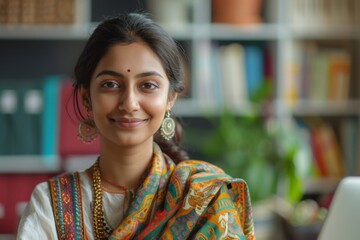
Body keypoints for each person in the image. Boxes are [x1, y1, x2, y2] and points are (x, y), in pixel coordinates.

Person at [17, 13, 255, 239]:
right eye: (110, 84)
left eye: (148, 85)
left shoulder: (204, 199)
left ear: (171, 97)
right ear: (87, 98)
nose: (129, 103)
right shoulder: (50, 203)